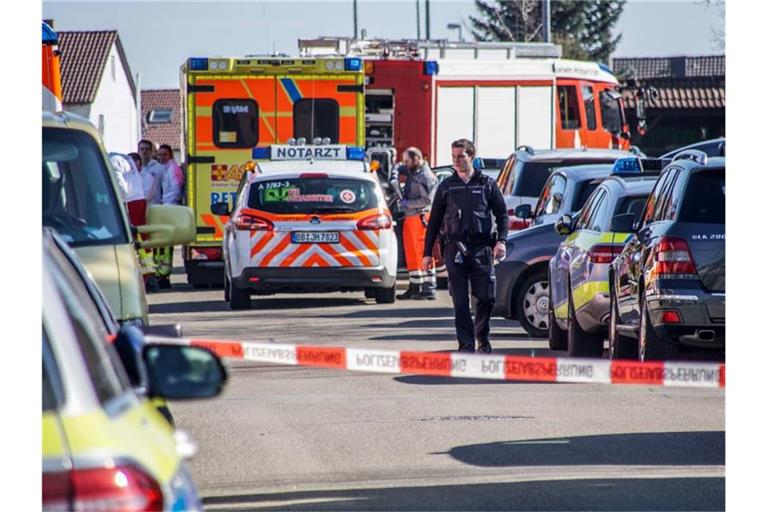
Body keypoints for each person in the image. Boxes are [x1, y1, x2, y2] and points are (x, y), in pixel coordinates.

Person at [423, 139, 508, 353]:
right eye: (453, 157)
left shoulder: (487, 184)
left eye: (460, 156)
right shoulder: (446, 187)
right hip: (455, 249)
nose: (456, 160)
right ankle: (467, 344)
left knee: (487, 297)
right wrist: (427, 254)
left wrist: (502, 241)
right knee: (460, 300)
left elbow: (502, 215)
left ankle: (482, 336)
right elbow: (433, 222)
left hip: (482, 248)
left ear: (471, 156)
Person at [390, 147, 438, 300]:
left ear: (416, 160)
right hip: (412, 219)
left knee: (423, 253)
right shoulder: (414, 171)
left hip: (420, 217)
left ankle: (428, 288)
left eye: (407, 161)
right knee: (412, 255)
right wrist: (396, 168)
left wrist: (407, 203)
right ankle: (415, 287)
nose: (405, 164)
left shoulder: (426, 176)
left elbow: (427, 200)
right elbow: (401, 167)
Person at [154, 144, 185, 289]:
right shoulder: (164, 168)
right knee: (161, 245)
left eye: (164, 154)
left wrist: (166, 206)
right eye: (159, 155)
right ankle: (161, 273)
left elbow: (176, 190)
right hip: (163, 207)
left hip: (168, 208)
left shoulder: (173, 169)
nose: (161, 157)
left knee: (165, 245)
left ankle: (164, 274)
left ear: (170, 155)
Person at [129, 152, 159, 292]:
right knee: (139, 240)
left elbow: (147, 194)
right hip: (140, 205)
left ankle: (149, 275)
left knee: (139, 239)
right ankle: (147, 275)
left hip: (142, 207)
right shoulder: (134, 177)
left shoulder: (146, 177)